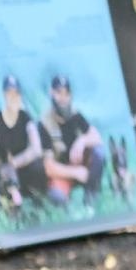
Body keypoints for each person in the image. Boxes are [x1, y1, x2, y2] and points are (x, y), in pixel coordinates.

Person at [0, 74, 48, 217]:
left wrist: (15, 163)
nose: (13, 97)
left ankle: (38, 204)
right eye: (9, 93)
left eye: (16, 93)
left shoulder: (25, 117)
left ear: (20, 95)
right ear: (4, 95)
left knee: (39, 166)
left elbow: (36, 148)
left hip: (24, 170)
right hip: (4, 175)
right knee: (1, 205)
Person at [38, 75, 105, 205]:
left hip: (79, 165)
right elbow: (49, 167)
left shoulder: (76, 115)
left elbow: (97, 138)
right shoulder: (44, 124)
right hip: (61, 172)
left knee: (99, 152)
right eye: (59, 93)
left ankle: (91, 199)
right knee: (56, 195)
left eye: (66, 93)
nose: (63, 98)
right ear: (51, 93)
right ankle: (69, 210)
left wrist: (82, 141)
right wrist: (75, 172)